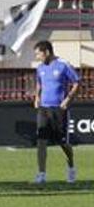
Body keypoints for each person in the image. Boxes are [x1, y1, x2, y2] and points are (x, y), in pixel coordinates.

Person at [32, 41, 80, 185]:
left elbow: (77, 82)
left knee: (63, 142)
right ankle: (41, 174)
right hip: (43, 109)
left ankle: (71, 167)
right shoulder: (40, 68)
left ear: (46, 52)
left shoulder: (63, 64)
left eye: (38, 54)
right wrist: (37, 97)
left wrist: (67, 100)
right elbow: (39, 83)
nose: (37, 58)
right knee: (41, 141)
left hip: (59, 109)